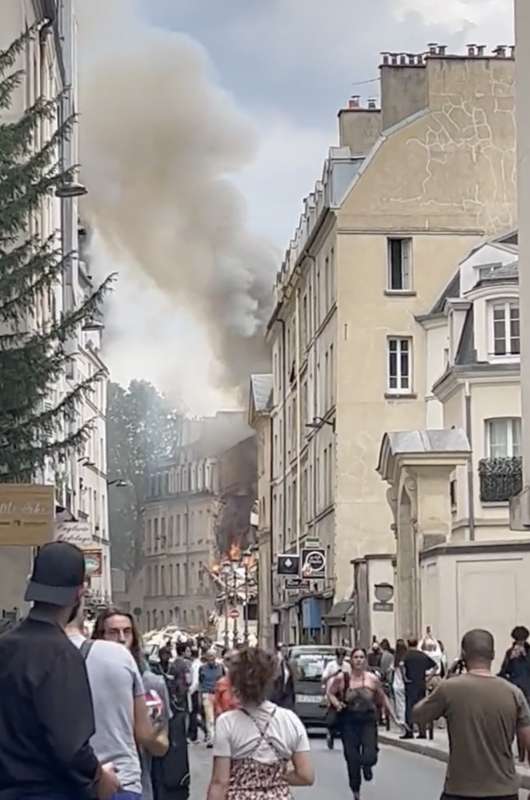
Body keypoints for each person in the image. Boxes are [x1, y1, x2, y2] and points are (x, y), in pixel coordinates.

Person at [0, 541, 120, 800]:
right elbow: (71, 746)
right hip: (49, 791)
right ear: (79, 594)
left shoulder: (5, 646)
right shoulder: (62, 654)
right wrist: (100, 776)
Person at [414, 628, 530, 800]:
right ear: (492, 655)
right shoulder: (514, 693)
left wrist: (445, 679)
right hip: (504, 791)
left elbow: (418, 716)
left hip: (460, 790)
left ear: (463, 654)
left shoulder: (449, 689)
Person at [68, 605, 167, 800]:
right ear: (100, 636)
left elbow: (161, 746)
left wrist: (149, 731)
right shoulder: (83, 671)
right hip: (89, 778)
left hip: (135, 781)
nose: (122, 639)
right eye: (113, 632)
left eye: (127, 632)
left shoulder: (152, 683)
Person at [206, 647, 314, 800]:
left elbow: (220, 782)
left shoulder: (227, 723)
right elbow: (306, 776)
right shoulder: (290, 719)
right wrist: (275, 778)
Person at [328, 647, 397, 800]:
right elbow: (331, 693)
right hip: (349, 722)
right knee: (352, 759)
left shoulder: (372, 679)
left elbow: (383, 697)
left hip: (367, 721)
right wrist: (337, 704)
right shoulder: (342, 678)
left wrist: (395, 718)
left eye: (361, 657)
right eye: (356, 657)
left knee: (370, 755)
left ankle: (367, 766)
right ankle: (356, 792)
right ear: (351, 660)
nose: (359, 660)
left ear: (365, 660)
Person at [499, 625, 530, 763]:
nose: (520, 643)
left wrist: (524, 657)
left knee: (525, 723)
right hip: (515, 690)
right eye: (518, 641)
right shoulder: (509, 653)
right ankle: (521, 755)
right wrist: (511, 659)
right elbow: (504, 671)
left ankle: (526, 755)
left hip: (527, 690)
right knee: (517, 723)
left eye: (522, 640)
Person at [401, 636, 436, 739]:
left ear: (408, 643)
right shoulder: (422, 655)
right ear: (417, 643)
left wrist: (405, 678)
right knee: (422, 707)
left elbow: (401, 666)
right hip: (421, 683)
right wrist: (428, 679)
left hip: (410, 684)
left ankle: (409, 731)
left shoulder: (406, 655)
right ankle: (422, 732)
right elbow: (435, 666)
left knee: (409, 708)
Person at [322, 647, 351, 750]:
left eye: (343, 657)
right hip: (332, 692)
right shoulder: (331, 665)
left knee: (344, 715)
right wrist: (334, 674)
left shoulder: (347, 666)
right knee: (332, 716)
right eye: (340, 657)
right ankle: (330, 732)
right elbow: (324, 678)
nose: (341, 659)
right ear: (337, 657)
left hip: (344, 693)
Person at [200, 649, 225, 746]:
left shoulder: (220, 668)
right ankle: (211, 738)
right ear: (206, 657)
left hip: (218, 694)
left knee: (218, 717)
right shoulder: (202, 668)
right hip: (207, 694)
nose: (211, 658)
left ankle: (218, 737)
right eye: (209, 656)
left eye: (212, 656)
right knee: (209, 718)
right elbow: (201, 681)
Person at [269, 644, 295, 710]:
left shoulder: (287, 663)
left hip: (286, 693)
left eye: (286, 651)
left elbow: (292, 676)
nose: (285, 652)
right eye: (283, 650)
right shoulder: (275, 661)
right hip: (276, 694)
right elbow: (274, 676)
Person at [214, 651, 240, 718]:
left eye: (237, 663)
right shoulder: (221, 683)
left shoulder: (247, 681)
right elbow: (217, 703)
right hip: (226, 719)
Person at [189, 647, 207, 743]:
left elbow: (195, 682)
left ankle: (196, 734)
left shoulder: (196, 665)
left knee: (194, 713)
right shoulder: (199, 665)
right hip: (200, 691)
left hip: (196, 692)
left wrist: (190, 692)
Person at [391, 639, 407, 727]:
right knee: (407, 703)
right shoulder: (406, 657)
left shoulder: (395, 658)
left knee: (400, 704)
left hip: (397, 683)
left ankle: (402, 720)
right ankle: (407, 720)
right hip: (405, 683)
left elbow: (391, 670)